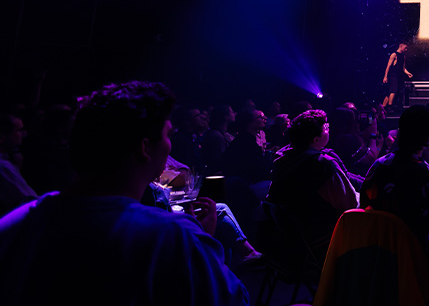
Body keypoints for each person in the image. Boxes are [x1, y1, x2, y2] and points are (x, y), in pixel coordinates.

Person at [0, 81, 248, 305]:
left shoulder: (19, 221)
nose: (170, 144)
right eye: (167, 135)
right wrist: (204, 245)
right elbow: (232, 301)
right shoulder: (176, 235)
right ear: (145, 147)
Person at [361, 105, 429, 266]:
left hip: (378, 258)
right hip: (415, 261)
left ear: (399, 130)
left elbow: (365, 206)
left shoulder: (379, 166)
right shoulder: (423, 173)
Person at [266, 109, 359, 258]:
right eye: (326, 128)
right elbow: (350, 203)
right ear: (316, 140)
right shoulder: (322, 164)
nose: (329, 129)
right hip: (323, 235)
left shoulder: (285, 158)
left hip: (294, 237)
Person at [0, 113, 36, 215]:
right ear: (2, 137)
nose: (24, 134)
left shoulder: (9, 161)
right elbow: (30, 199)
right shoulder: (3, 167)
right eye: (19, 130)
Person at [383, 43, 413, 111]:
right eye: (405, 48)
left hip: (399, 76)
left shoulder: (403, 56)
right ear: (401, 46)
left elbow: (403, 68)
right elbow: (388, 66)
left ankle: (383, 107)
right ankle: (390, 106)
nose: (406, 49)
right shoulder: (394, 55)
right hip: (393, 75)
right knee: (393, 90)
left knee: (390, 92)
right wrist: (385, 76)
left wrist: (408, 73)